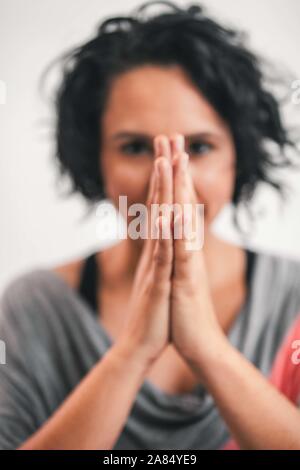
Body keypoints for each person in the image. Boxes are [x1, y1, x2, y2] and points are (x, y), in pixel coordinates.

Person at [1, 0, 300, 450]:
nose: (169, 176)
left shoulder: (294, 297)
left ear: (238, 157)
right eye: (136, 148)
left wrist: (206, 347)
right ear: (95, 158)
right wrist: (133, 351)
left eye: (199, 148)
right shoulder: (34, 309)